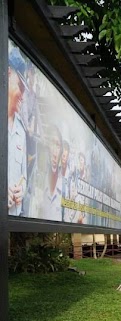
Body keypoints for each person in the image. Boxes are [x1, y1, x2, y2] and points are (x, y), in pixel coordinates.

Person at [7, 47, 29, 216]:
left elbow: (24, 175)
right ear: (8, 74)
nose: (22, 94)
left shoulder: (21, 130)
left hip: (14, 217)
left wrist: (22, 189)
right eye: (20, 86)